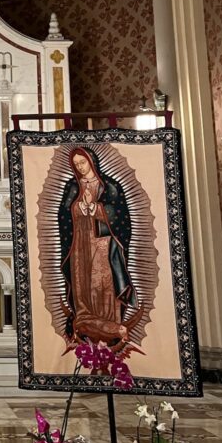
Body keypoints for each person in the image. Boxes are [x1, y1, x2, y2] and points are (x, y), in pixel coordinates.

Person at [58, 147, 139, 348]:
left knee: (102, 282)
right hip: (79, 242)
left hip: (103, 243)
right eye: (76, 164)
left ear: (91, 161)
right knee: (82, 281)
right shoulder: (72, 187)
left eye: (82, 162)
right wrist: (78, 208)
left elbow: (121, 216)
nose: (80, 167)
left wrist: (96, 209)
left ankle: (109, 321)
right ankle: (86, 318)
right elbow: (63, 215)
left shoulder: (110, 186)